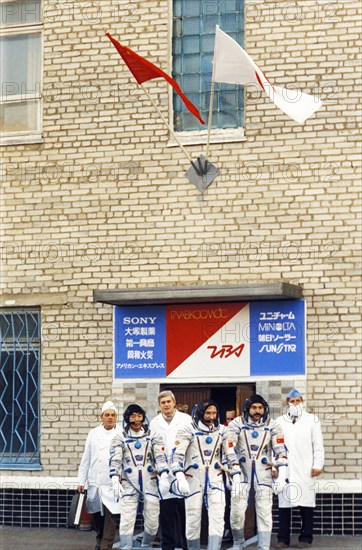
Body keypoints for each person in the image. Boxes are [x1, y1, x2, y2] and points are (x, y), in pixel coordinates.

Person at [223, 394, 288, 550]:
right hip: (241, 473)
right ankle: (238, 542)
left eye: (260, 407)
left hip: (263, 473)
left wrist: (282, 475)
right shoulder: (236, 424)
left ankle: (263, 546)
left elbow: (280, 451)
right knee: (237, 512)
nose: (257, 410)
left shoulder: (273, 425)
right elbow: (229, 448)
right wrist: (234, 472)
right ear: (248, 408)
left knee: (265, 511)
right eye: (254, 407)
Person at [109, 403, 169, 550]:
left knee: (153, 521)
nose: (136, 420)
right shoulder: (120, 438)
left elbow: (160, 457)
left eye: (139, 416)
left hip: (150, 482)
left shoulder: (153, 436)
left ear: (144, 417)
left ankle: (146, 545)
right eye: (133, 416)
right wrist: (115, 479)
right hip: (130, 483)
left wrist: (164, 475)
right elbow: (115, 459)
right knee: (127, 520)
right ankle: (126, 547)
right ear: (127, 419)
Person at [170, 400, 227, 550]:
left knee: (218, 517)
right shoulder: (187, 430)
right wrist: (180, 477)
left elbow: (230, 456)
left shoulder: (222, 431)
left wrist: (236, 476)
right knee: (193, 518)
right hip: (193, 479)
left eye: (214, 413)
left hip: (215, 479)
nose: (211, 416)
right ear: (200, 413)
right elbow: (176, 456)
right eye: (208, 413)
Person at [276, 388, 324, 549]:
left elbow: (318, 444)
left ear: (302, 402)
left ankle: (306, 538)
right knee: (284, 506)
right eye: (292, 401)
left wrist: (318, 464)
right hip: (285, 469)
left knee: (306, 505)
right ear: (286, 403)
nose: (295, 404)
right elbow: (274, 445)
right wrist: (274, 465)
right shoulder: (280, 421)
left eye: (297, 401)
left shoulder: (312, 420)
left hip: (305, 468)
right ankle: (283, 539)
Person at [150, 390, 193, 550]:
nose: (166, 405)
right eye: (163, 403)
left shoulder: (186, 420)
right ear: (159, 405)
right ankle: (168, 545)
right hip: (163, 473)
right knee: (166, 513)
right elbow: (153, 447)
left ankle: (185, 545)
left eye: (169, 402)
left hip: (183, 471)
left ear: (174, 403)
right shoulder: (154, 422)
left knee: (184, 512)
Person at [77, 401, 122, 550]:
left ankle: (105, 546)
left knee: (111, 516)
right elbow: (86, 458)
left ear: (116, 417)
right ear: (101, 417)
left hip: (113, 482)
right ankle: (99, 540)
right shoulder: (93, 433)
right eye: (107, 415)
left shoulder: (121, 433)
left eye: (113, 415)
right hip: (95, 481)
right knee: (98, 515)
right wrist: (81, 480)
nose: (110, 418)